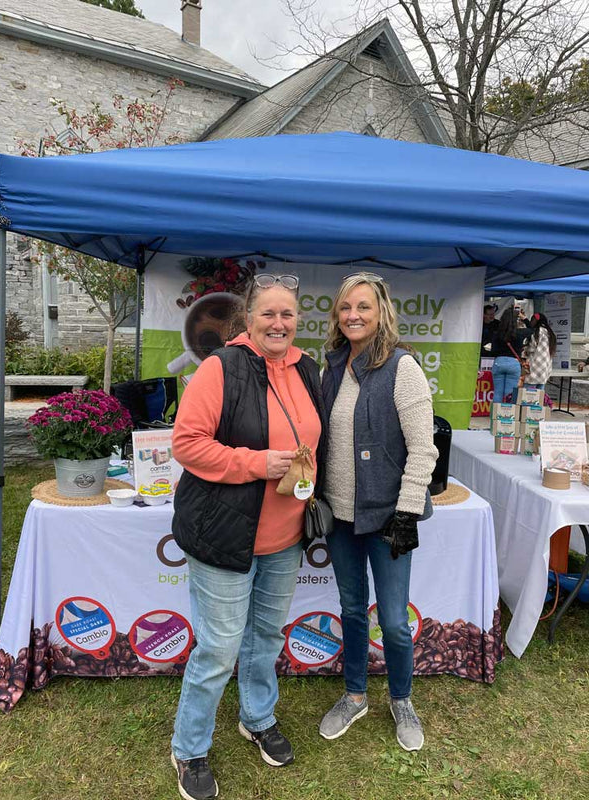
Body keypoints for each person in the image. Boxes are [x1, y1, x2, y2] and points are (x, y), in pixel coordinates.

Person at [170, 273, 326, 800]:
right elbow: (188, 444)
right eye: (268, 314)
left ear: (297, 319)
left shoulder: (308, 368)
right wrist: (256, 463)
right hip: (224, 534)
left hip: (285, 535)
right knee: (218, 647)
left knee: (266, 637)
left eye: (287, 314)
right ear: (249, 320)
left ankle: (257, 717)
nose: (278, 323)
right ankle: (189, 748)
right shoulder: (220, 368)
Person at [318, 272, 438, 751]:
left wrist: (407, 512)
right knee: (350, 609)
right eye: (345, 307)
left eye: (363, 307)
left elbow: (423, 449)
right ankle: (354, 694)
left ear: (381, 310)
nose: (353, 315)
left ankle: (401, 698)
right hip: (340, 516)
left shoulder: (402, 366)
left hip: (389, 516)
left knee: (391, 618)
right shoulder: (332, 367)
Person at [491, 306, 530, 403]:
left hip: (499, 362)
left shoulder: (497, 334)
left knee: (498, 393)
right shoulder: (520, 333)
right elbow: (533, 329)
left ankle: (495, 416)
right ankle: (507, 415)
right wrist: (524, 318)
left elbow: (493, 351)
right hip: (513, 363)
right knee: (509, 394)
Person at [523, 312, 556, 389]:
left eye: (532, 320)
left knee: (527, 390)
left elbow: (531, 347)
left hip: (535, 364)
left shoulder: (537, 332)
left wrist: (525, 350)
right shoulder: (550, 333)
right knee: (540, 392)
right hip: (545, 366)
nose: (531, 322)